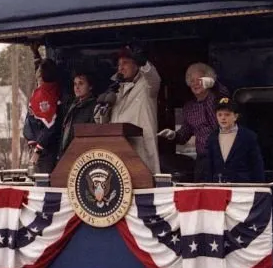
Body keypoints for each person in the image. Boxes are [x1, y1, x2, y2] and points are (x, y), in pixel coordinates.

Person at [157, 62, 229, 181]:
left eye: (199, 80)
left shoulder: (217, 97)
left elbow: (224, 93)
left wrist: (214, 83)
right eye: (192, 81)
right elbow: (184, 135)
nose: (195, 84)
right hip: (202, 159)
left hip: (222, 155)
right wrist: (173, 135)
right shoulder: (189, 107)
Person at [95, 46, 161, 174]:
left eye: (125, 63)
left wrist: (144, 62)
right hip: (118, 154)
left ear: (136, 65)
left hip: (141, 151)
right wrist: (104, 105)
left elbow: (153, 78)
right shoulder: (115, 89)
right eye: (119, 64)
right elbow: (101, 122)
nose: (120, 68)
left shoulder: (146, 85)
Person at [203, 97, 264, 183]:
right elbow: (209, 167)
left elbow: (257, 166)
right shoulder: (212, 138)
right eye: (219, 115)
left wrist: (259, 189)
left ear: (235, 116)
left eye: (227, 114)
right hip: (218, 188)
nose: (223, 118)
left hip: (242, 189)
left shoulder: (248, 136)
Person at [23, 44, 62, 174]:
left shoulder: (48, 96)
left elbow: (49, 128)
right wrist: (35, 53)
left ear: (43, 75)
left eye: (39, 72)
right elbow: (39, 67)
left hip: (45, 152)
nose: (37, 73)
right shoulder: (43, 89)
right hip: (36, 146)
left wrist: (37, 151)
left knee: (43, 181)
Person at [58, 68, 97, 158]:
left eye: (81, 83)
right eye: (75, 84)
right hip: (66, 155)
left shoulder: (95, 107)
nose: (77, 87)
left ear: (90, 86)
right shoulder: (72, 105)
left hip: (82, 156)